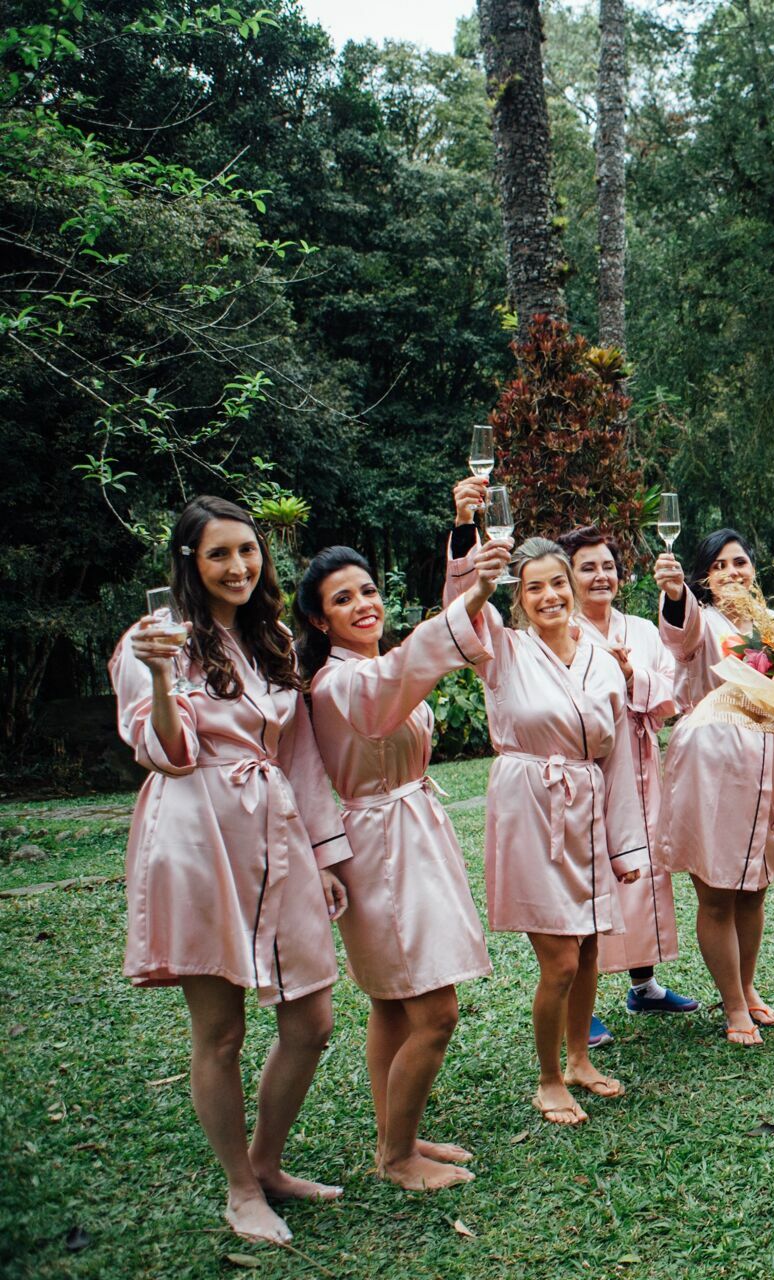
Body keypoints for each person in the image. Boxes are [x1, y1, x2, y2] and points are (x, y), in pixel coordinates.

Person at [113, 496, 348, 1245]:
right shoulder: (152, 642)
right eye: (219, 554)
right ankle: (241, 1189)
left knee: (311, 1019)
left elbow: (301, 757)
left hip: (275, 824)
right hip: (196, 831)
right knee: (219, 1031)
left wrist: (325, 853)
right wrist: (155, 680)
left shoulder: (273, 636)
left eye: (247, 551)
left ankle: (269, 1162)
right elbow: (165, 753)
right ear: (189, 562)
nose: (239, 566)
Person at [297, 542, 504, 1190]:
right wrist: (470, 600)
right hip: (383, 849)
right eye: (342, 599)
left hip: (410, 837)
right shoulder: (340, 681)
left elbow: (408, 667)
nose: (363, 605)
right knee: (435, 1013)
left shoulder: (372, 666)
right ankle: (396, 1158)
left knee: (391, 1004)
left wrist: (464, 542)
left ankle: (399, 1135)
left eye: (367, 590)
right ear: (318, 621)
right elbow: (399, 681)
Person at [445, 480, 649, 1125]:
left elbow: (617, 761)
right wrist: (469, 544)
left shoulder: (604, 658)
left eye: (556, 583)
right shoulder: (501, 648)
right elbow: (460, 612)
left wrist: (627, 844)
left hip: (589, 805)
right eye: (533, 587)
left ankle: (582, 1059)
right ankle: (548, 1075)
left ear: (572, 585)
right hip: (532, 808)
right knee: (559, 957)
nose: (550, 596)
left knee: (590, 946)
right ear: (518, 596)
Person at [653, 528, 774, 1045]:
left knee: (755, 888)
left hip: (767, 762)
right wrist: (676, 594)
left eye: (739, 562)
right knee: (718, 891)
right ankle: (733, 1004)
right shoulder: (705, 625)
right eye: (718, 566)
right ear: (705, 579)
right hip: (711, 764)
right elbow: (681, 631)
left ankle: (747, 987)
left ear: (753, 569)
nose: (732, 573)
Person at [557, 525, 702, 1028]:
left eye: (607, 567)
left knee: (646, 870)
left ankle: (644, 985)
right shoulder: (561, 633)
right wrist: (612, 681)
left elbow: (673, 688)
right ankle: (583, 1007)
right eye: (587, 567)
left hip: (642, 764)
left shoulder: (641, 629)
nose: (600, 576)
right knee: (592, 873)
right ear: (568, 577)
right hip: (591, 771)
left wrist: (631, 676)